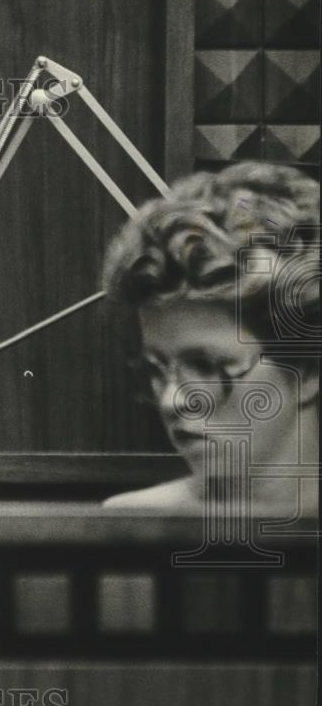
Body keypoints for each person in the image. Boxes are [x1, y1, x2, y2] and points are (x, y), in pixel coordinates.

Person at [101, 162, 319, 514]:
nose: (172, 401)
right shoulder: (130, 529)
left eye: (205, 365)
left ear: (307, 371)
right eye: (154, 370)